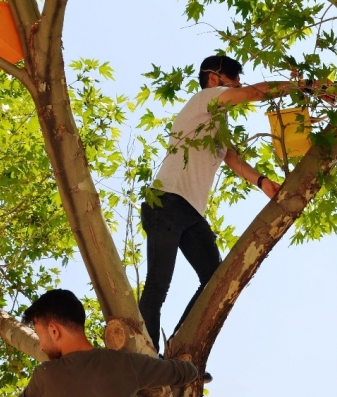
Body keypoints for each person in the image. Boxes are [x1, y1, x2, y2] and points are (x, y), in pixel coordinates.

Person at [138, 55, 322, 359]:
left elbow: (232, 159)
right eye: (234, 79)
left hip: (191, 213)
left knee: (214, 278)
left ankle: (177, 351)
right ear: (215, 78)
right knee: (158, 286)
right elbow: (251, 94)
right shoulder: (205, 100)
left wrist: (262, 182)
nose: (239, 85)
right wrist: (305, 86)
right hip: (167, 202)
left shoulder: (216, 121)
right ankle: (145, 360)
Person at [19, 289, 198, 397]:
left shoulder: (45, 376)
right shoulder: (125, 365)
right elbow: (185, 371)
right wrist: (190, 369)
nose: (41, 346)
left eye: (39, 335)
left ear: (54, 331)